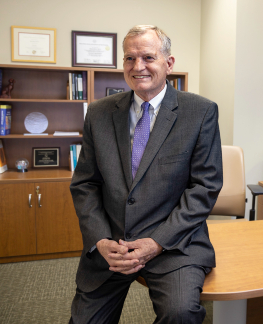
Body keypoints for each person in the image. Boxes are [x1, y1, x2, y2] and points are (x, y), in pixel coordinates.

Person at [69, 25, 223, 324]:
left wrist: (157, 242)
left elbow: (205, 186)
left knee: (180, 314)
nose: (138, 67)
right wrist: (100, 239)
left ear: (169, 63)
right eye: (129, 58)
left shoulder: (200, 111)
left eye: (148, 57)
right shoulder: (99, 113)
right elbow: (85, 184)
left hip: (173, 244)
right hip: (112, 246)